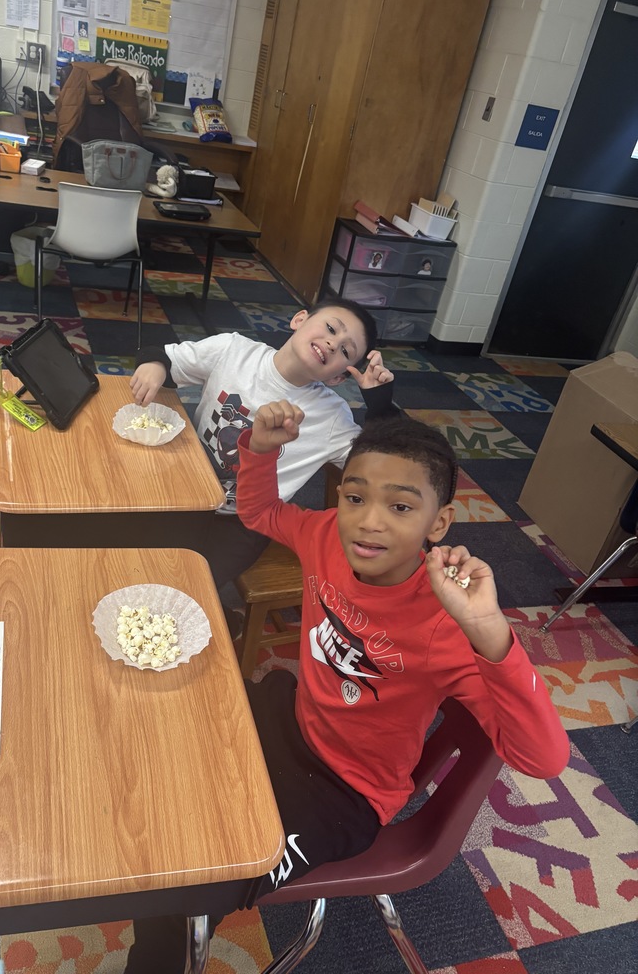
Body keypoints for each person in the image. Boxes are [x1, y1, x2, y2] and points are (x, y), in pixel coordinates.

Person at [123, 409, 569, 973]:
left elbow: (543, 758)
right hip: (290, 719)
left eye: (401, 507)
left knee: (185, 881)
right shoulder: (323, 536)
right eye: (355, 498)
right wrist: (260, 449)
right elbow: (260, 511)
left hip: (347, 791)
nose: (368, 522)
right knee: (154, 744)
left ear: (439, 523)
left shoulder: (445, 628)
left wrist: (489, 633)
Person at [129, 301, 397, 588]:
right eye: (331, 328)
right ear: (299, 319)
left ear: (337, 377)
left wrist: (380, 404)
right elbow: (164, 356)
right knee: (129, 549)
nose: (333, 344)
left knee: (187, 584)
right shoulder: (233, 351)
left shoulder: (332, 417)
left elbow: (388, 468)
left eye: (346, 351)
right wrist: (155, 365)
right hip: (185, 490)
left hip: (241, 524)